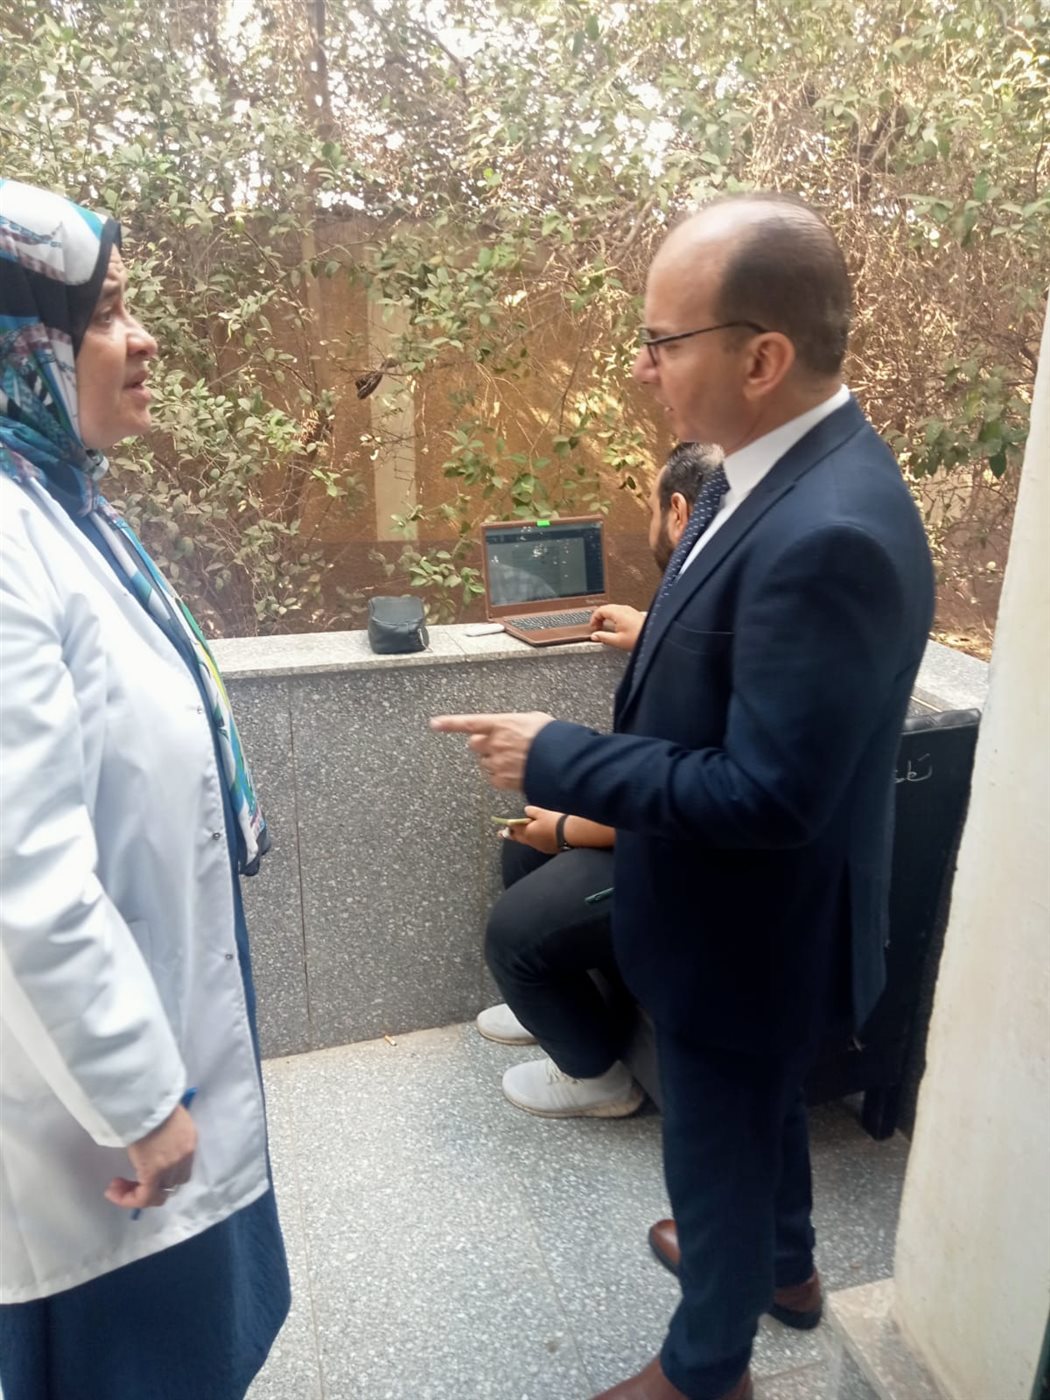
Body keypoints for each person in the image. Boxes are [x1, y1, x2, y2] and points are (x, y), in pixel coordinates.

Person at [433, 193, 935, 1400]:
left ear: (762, 359)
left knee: (715, 1147)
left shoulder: (834, 530)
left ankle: (707, 1365)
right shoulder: (754, 476)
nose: (643, 367)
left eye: (664, 341)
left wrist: (557, 756)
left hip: (749, 930)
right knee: (756, 1111)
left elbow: (769, 793)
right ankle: (784, 1265)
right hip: (737, 917)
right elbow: (741, 659)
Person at [0, 180, 289, 1400]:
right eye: (108, 312)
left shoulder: (59, 507)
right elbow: (20, 874)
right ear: (25, 344)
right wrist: (139, 1089)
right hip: (93, 1117)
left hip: (153, 1024)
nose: (145, 338)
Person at [477, 443, 721, 1120]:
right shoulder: (702, 591)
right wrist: (650, 632)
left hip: (690, 865)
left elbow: (681, 793)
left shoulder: (717, 605)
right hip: (665, 824)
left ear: (678, 512)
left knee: (511, 935)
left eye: (650, 506)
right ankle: (557, 1010)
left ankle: (597, 1078)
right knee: (525, 841)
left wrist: (566, 828)